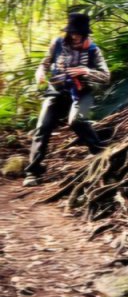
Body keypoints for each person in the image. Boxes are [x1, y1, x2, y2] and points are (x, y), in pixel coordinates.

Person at [23, 13, 110, 187]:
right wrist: (40, 73)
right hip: (56, 91)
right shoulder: (57, 44)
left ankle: (100, 152)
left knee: (76, 121)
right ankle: (33, 172)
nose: (75, 36)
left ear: (84, 33)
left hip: (82, 92)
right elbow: (45, 63)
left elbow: (106, 76)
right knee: (42, 127)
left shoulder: (93, 50)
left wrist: (86, 71)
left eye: (78, 33)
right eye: (72, 32)